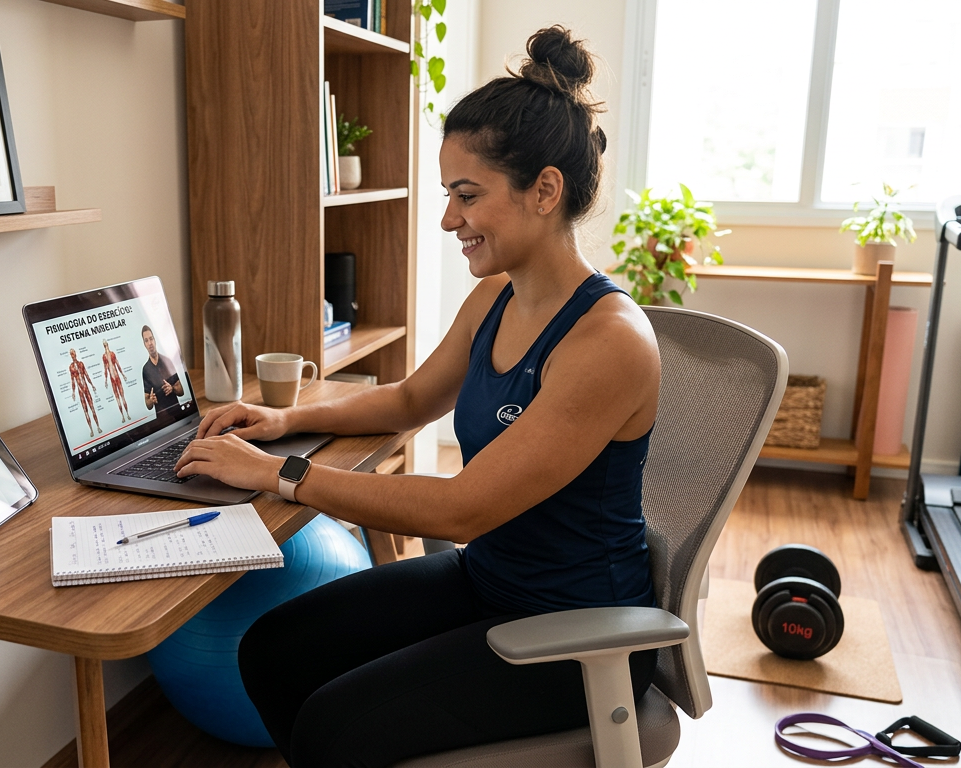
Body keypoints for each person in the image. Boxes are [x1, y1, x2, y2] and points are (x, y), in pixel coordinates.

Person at [173, 26, 661, 768]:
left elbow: (462, 508)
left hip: (580, 637)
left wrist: (280, 474)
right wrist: (285, 419)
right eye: (448, 196)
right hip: (489, 579)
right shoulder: (498, 296)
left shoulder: (608, 341)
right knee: (272, 650)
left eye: (467, 196)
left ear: (544, 190)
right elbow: (408, 401)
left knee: (334, 727)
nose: (447, 219)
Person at [140, 325, 183, 414]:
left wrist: (172, 388)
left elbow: (181, 391)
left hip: (178, 412)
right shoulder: (145, 370)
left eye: (151, 339)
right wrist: (151, 400)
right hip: (162, 417)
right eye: (146, 340)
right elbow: (148, 405)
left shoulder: (167, 361)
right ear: (144, 344)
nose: (150, 343)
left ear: (155, 340)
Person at [67, 348, 101, 437]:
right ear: (70, 355)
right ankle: (91, 430)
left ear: (76, 354)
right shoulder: (71, 367)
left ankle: (98, 427)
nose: (73, 355)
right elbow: (72, 380)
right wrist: (73, 392)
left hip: (86, 389)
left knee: (92, 408)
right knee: (85, 410)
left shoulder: (81, 364)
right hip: (80, 391)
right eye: (71, 354)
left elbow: (86, 375)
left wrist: (92, 385)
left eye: (73, 353)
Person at [102, 339, 130, 423]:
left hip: (117, 377)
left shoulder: (112, 354)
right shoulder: (104, 357)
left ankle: (127, 414)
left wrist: (123, 374)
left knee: (122, 396)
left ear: (107, 344)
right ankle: (123, 416)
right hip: (112, 379)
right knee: (117, 398)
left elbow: (117, 364)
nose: (106, 346)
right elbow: (105, 368)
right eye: (104, 345)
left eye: (106, 344)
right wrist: (106, 380)